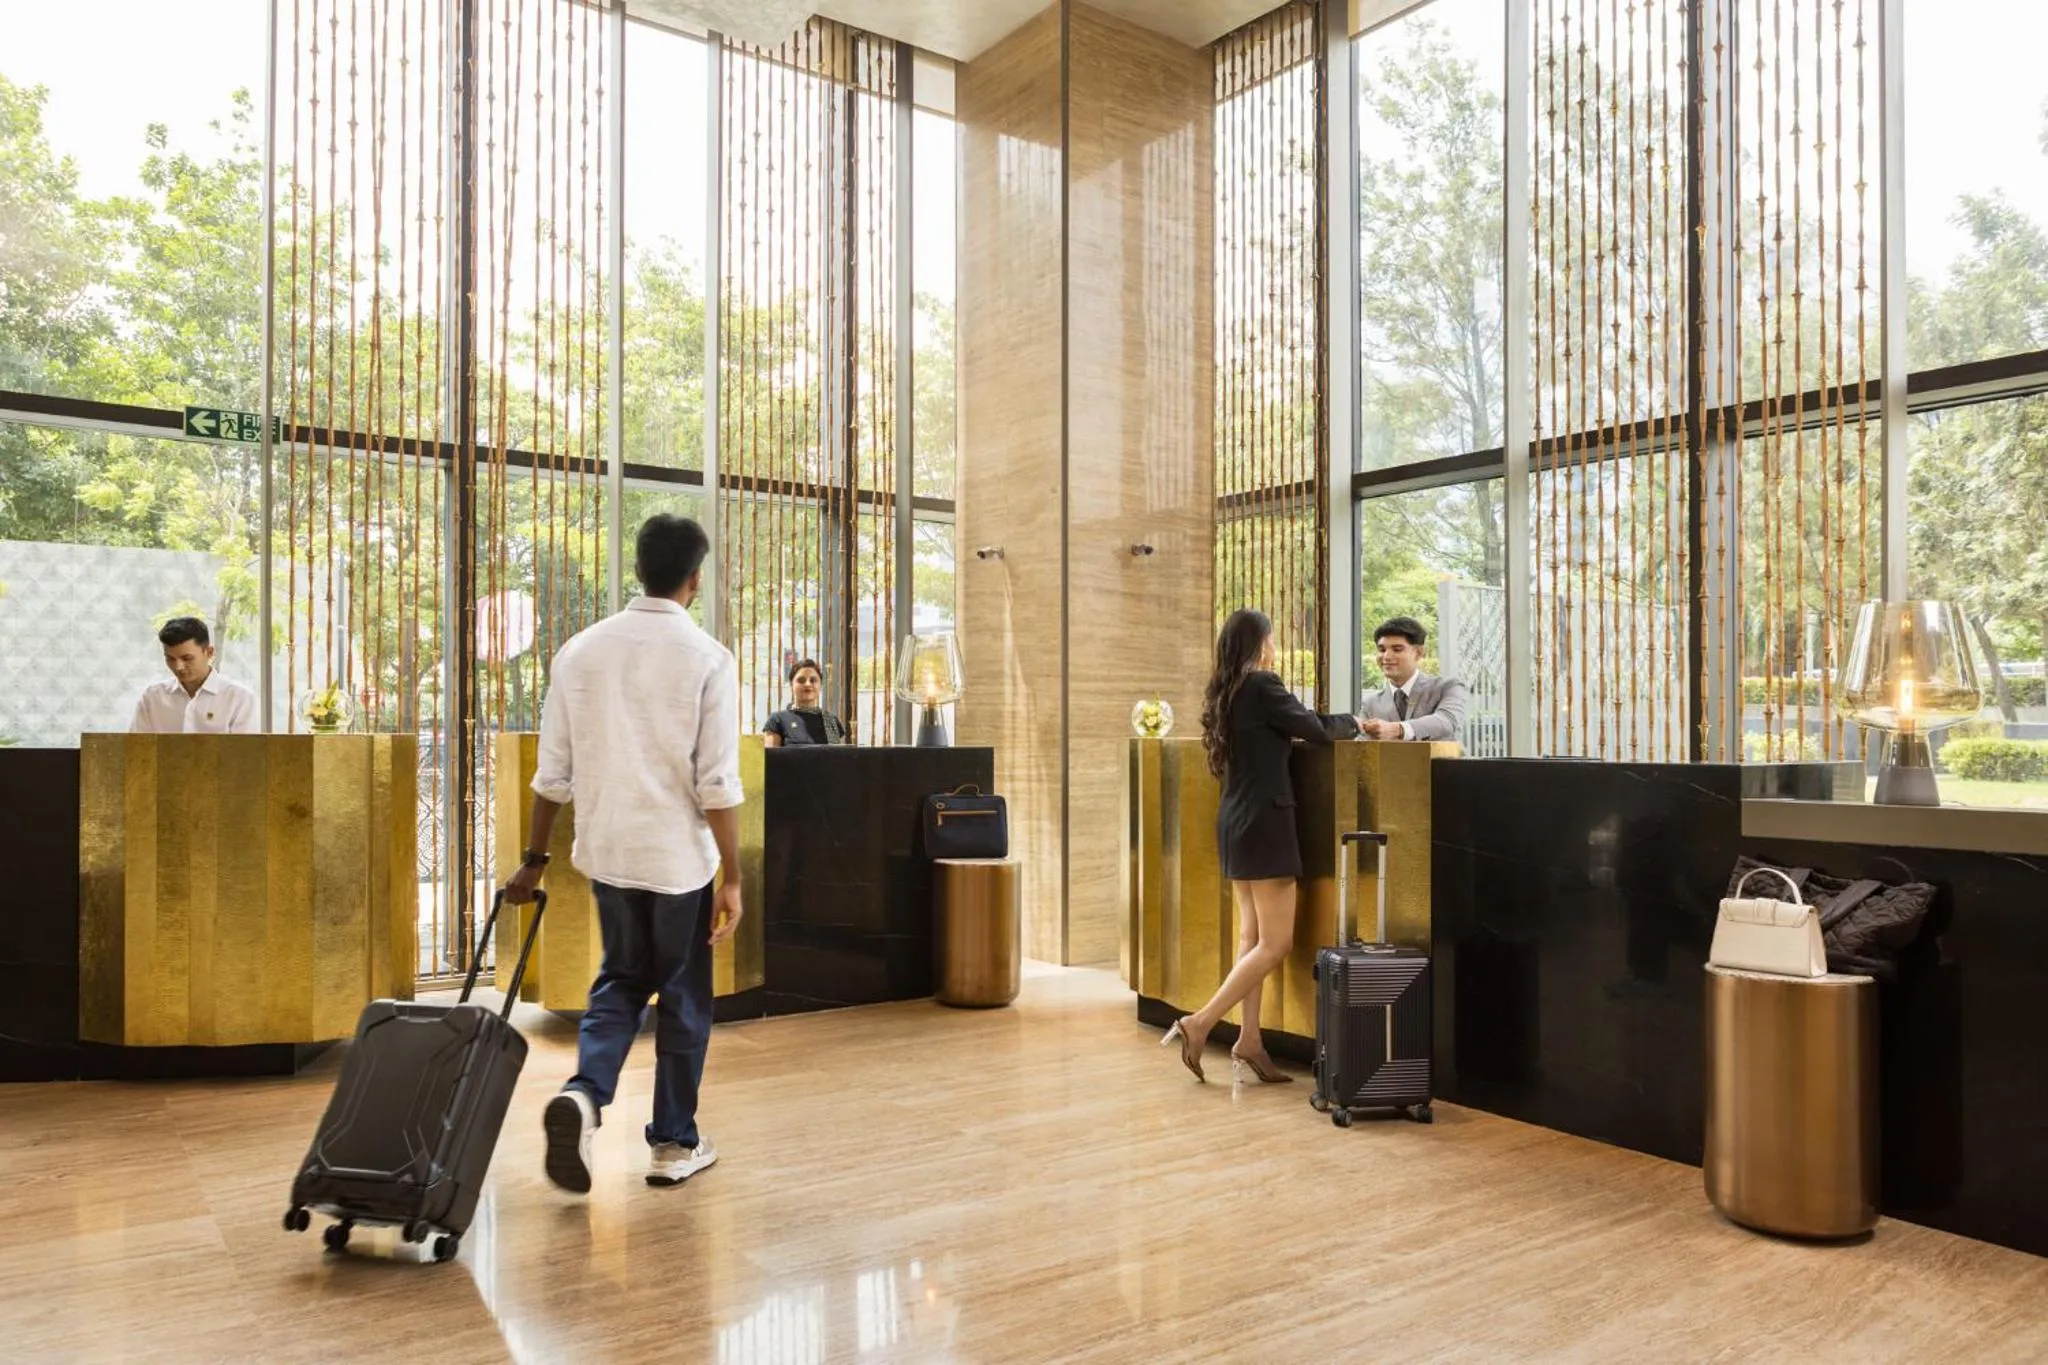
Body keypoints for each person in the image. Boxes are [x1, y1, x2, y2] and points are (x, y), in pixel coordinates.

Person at [500, 514, 745, 1192]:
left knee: (621, 979)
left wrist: (535, 857)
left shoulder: (579, 651)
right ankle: (672, 1142)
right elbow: (717, 783)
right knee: (685, 995)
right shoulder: (708, 658)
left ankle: (584, 1095)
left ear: (639, 568)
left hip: (608, 851)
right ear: (695, 579)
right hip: (678, 863)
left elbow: (553, 774)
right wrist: (734, 876)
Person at [1162, 609, 1359, 1084]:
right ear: (1261, 643)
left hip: (1235, 822)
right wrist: (1357, 721)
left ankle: (1250, 1040)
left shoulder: (1224, 691)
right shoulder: (1262, 685)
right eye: (1272, 639)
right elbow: (1313, 727)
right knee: (1276, 944)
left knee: (1252, 940)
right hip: (1266, 822)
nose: (1275, 647)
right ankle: (1201, 1022)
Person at [129, 616, 259, 734]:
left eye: (187, 658)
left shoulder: (239, 698)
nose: (178, 667)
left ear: (209, 652)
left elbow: (245, 755)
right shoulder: (152, 697)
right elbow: (137, 750)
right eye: (170, 659)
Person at [1357, 616, 1467, 743]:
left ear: (1419, 652)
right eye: (1382, 650)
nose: (1386, 656)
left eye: (1397, 649)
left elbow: (1447, 721)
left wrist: (1398, 729)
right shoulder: (1370, 704)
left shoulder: (1448, 687)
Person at [761, 658, 849, 747]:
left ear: (820, 685)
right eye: (801, 680)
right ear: (792, 684)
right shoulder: (777, 720)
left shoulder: (831, 720)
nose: (807, 684)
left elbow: (837, 757)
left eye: (813, 680)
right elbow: (770, 758)